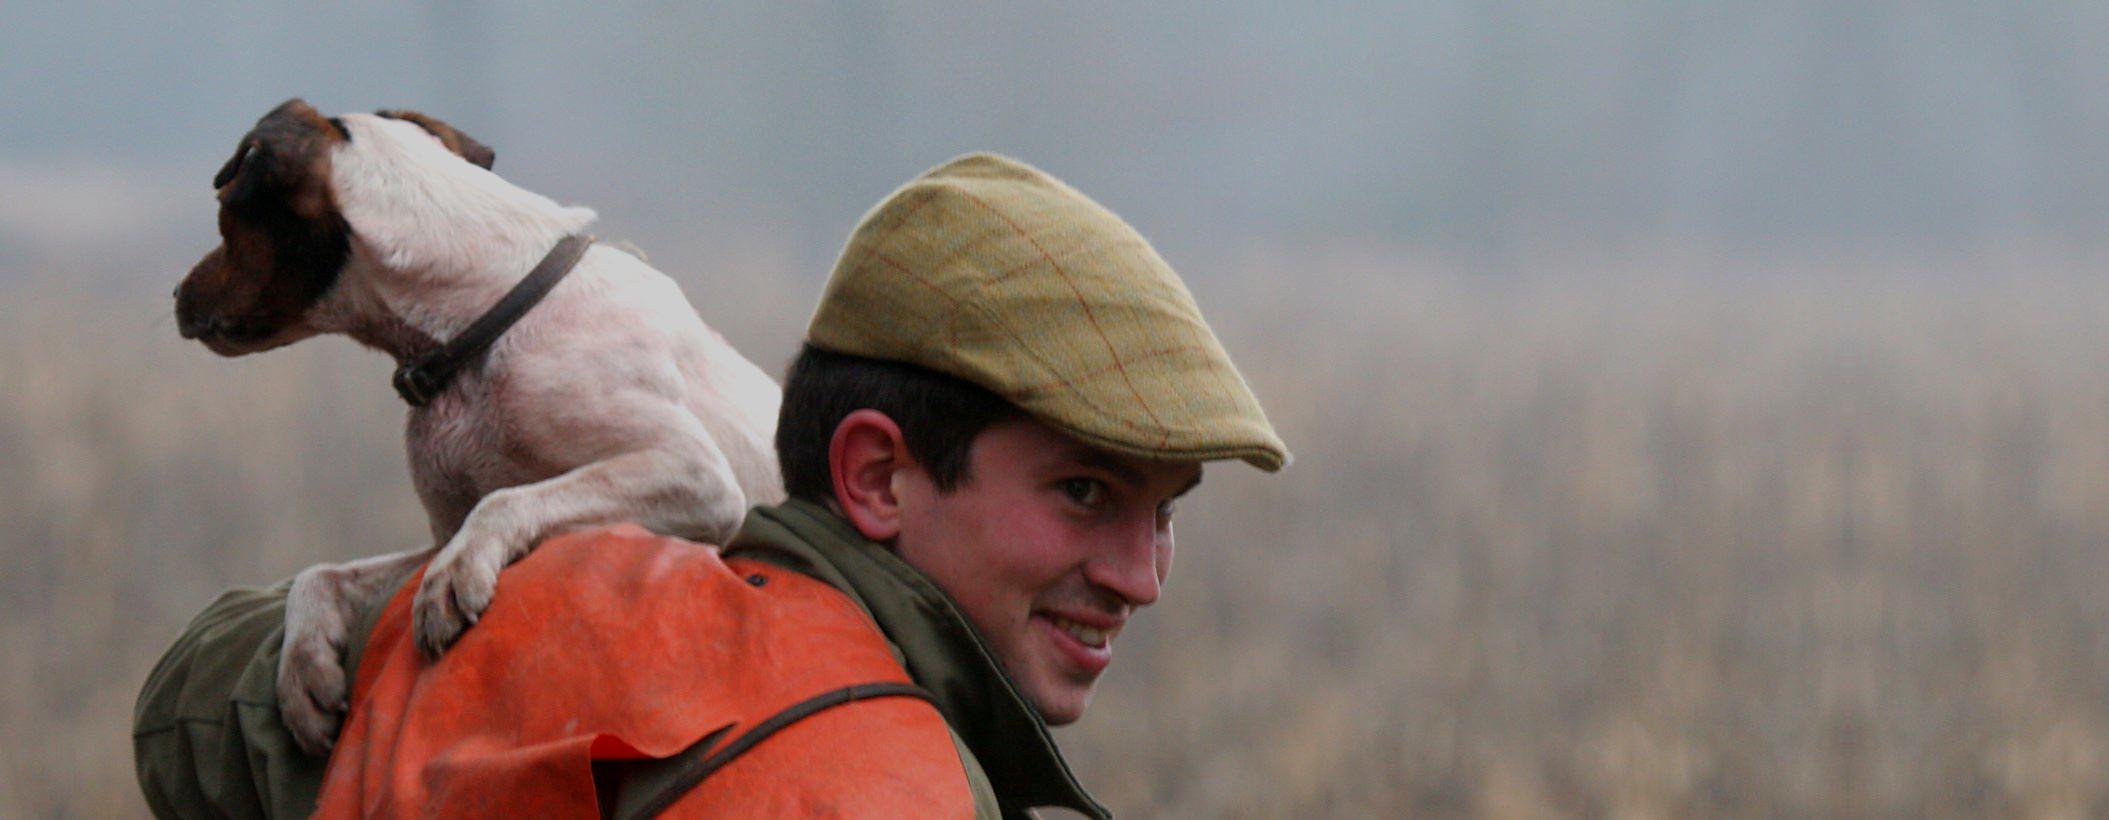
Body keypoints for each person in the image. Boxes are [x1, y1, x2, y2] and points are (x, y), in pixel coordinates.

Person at [133, 153, 1288, 818]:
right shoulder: (894, 791)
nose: (1141, 578)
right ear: (875, 474)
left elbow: (185, 712)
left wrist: (446, 641)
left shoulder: (578, 603)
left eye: (1165, 510)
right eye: (1085, 492)